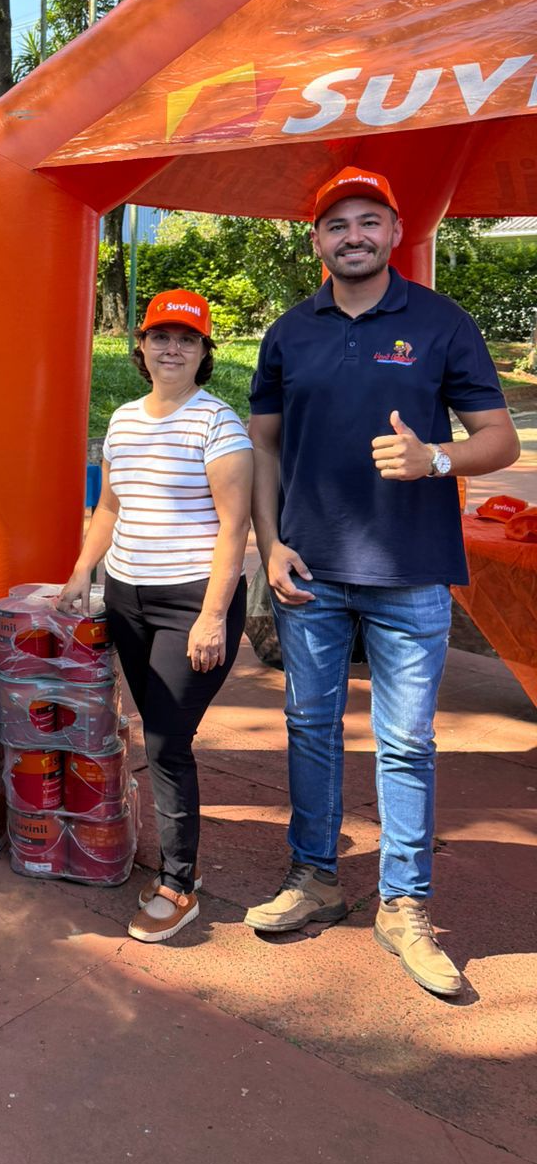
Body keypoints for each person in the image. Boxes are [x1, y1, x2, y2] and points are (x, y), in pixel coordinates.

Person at [244, 166, 520, 997]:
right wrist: (270, 544)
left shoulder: (441, 322)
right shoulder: (291, 331)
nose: (352, 236)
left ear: (396, 232)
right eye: (337, 224)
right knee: (310, 729)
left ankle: (404, 904)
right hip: (312, 569)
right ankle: (315, 878)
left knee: (406, 746)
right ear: (317, 240)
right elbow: (263, 446)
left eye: (368, 221)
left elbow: (500, 440)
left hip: (411, 574)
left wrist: (435, 457)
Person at [60, 289, 252, 943]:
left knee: (169, 743)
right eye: (160, 337)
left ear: (204, 353)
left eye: (187, 338)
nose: (172, 347)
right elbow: (109, 508)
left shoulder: (217, 422)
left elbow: (235, 528)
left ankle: (179, 884)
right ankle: (172, 855)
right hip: (127, 598)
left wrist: (212, 617)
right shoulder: (122, 419)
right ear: (140, 348)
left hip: (190, 603)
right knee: (150, 730)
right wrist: (83, 569)